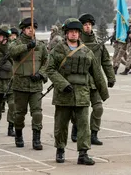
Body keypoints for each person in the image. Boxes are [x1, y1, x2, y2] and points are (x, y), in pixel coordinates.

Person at [47, 18, 109, 165]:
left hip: (82, 94)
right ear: (66, 34)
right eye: (71, 32)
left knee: (83, 126)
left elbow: (96, 73)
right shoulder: (58, 50)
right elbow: (49, 69)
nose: (74, 34)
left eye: (76, 32)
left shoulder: (87, 52)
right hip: (63, 94)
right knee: (61, 125)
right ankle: (60, 150)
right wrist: (62, 83)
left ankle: (83, 153)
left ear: (79, 34)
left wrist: (103, 92)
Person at [70, 13, 115, 145]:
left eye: (89, 24)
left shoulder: (98, 44)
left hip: (95, 82)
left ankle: (93, 133)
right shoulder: (75, 44)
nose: (87, 27)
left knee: (98, 108)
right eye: (85, 24)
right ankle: (76, 128)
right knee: (78, 110)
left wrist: (111, 77)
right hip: (80, 82)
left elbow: (106, 61)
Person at [9, 17, 48, 150]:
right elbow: (11, 52)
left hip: (36, 85)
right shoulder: (16, 43)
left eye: (33, 28)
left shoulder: (41, 45)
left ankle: (36, 139)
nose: (31, 30)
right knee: (19, 113)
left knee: (37, 113)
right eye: (28, 28)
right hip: (20, 84)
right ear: (23, 29)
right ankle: (18, 134)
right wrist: (27, 46)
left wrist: (41, 74)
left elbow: (46, 62)